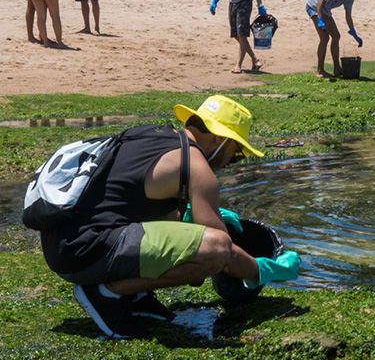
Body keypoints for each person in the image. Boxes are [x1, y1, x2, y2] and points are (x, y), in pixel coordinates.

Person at [39, 95, 300, 339]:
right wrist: (266, 270)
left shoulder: (151, 136)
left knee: (186, 234)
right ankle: (106, 292)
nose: (234, 161)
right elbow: (225, 255)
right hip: (84, 255)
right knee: (214, 249)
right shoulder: (198, 168)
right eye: (238, 152)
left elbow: (132, 202)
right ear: (223, 140)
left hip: (61, 243)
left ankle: (137, 295)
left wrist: (198, 215)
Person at [306, 0, 375, 78]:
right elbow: (320, 1)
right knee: (324, 38)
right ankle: (320, 71)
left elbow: (348, 17)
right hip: (314, 5)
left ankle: (337, 69)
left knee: (336, 36)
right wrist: (319, 19)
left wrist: (354, 34)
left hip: (325, 9)